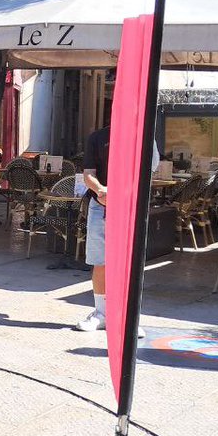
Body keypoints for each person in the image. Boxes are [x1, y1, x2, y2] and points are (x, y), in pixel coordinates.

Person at [75, 124, 154, 337]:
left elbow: (150, 168)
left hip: (130, 206)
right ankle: (101, 313)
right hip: (100, 205)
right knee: (100, 260)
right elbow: (88, 174)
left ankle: (126, 317)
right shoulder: (98, 137)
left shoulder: (141, 135)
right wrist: (101, 190)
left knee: (127, 263)